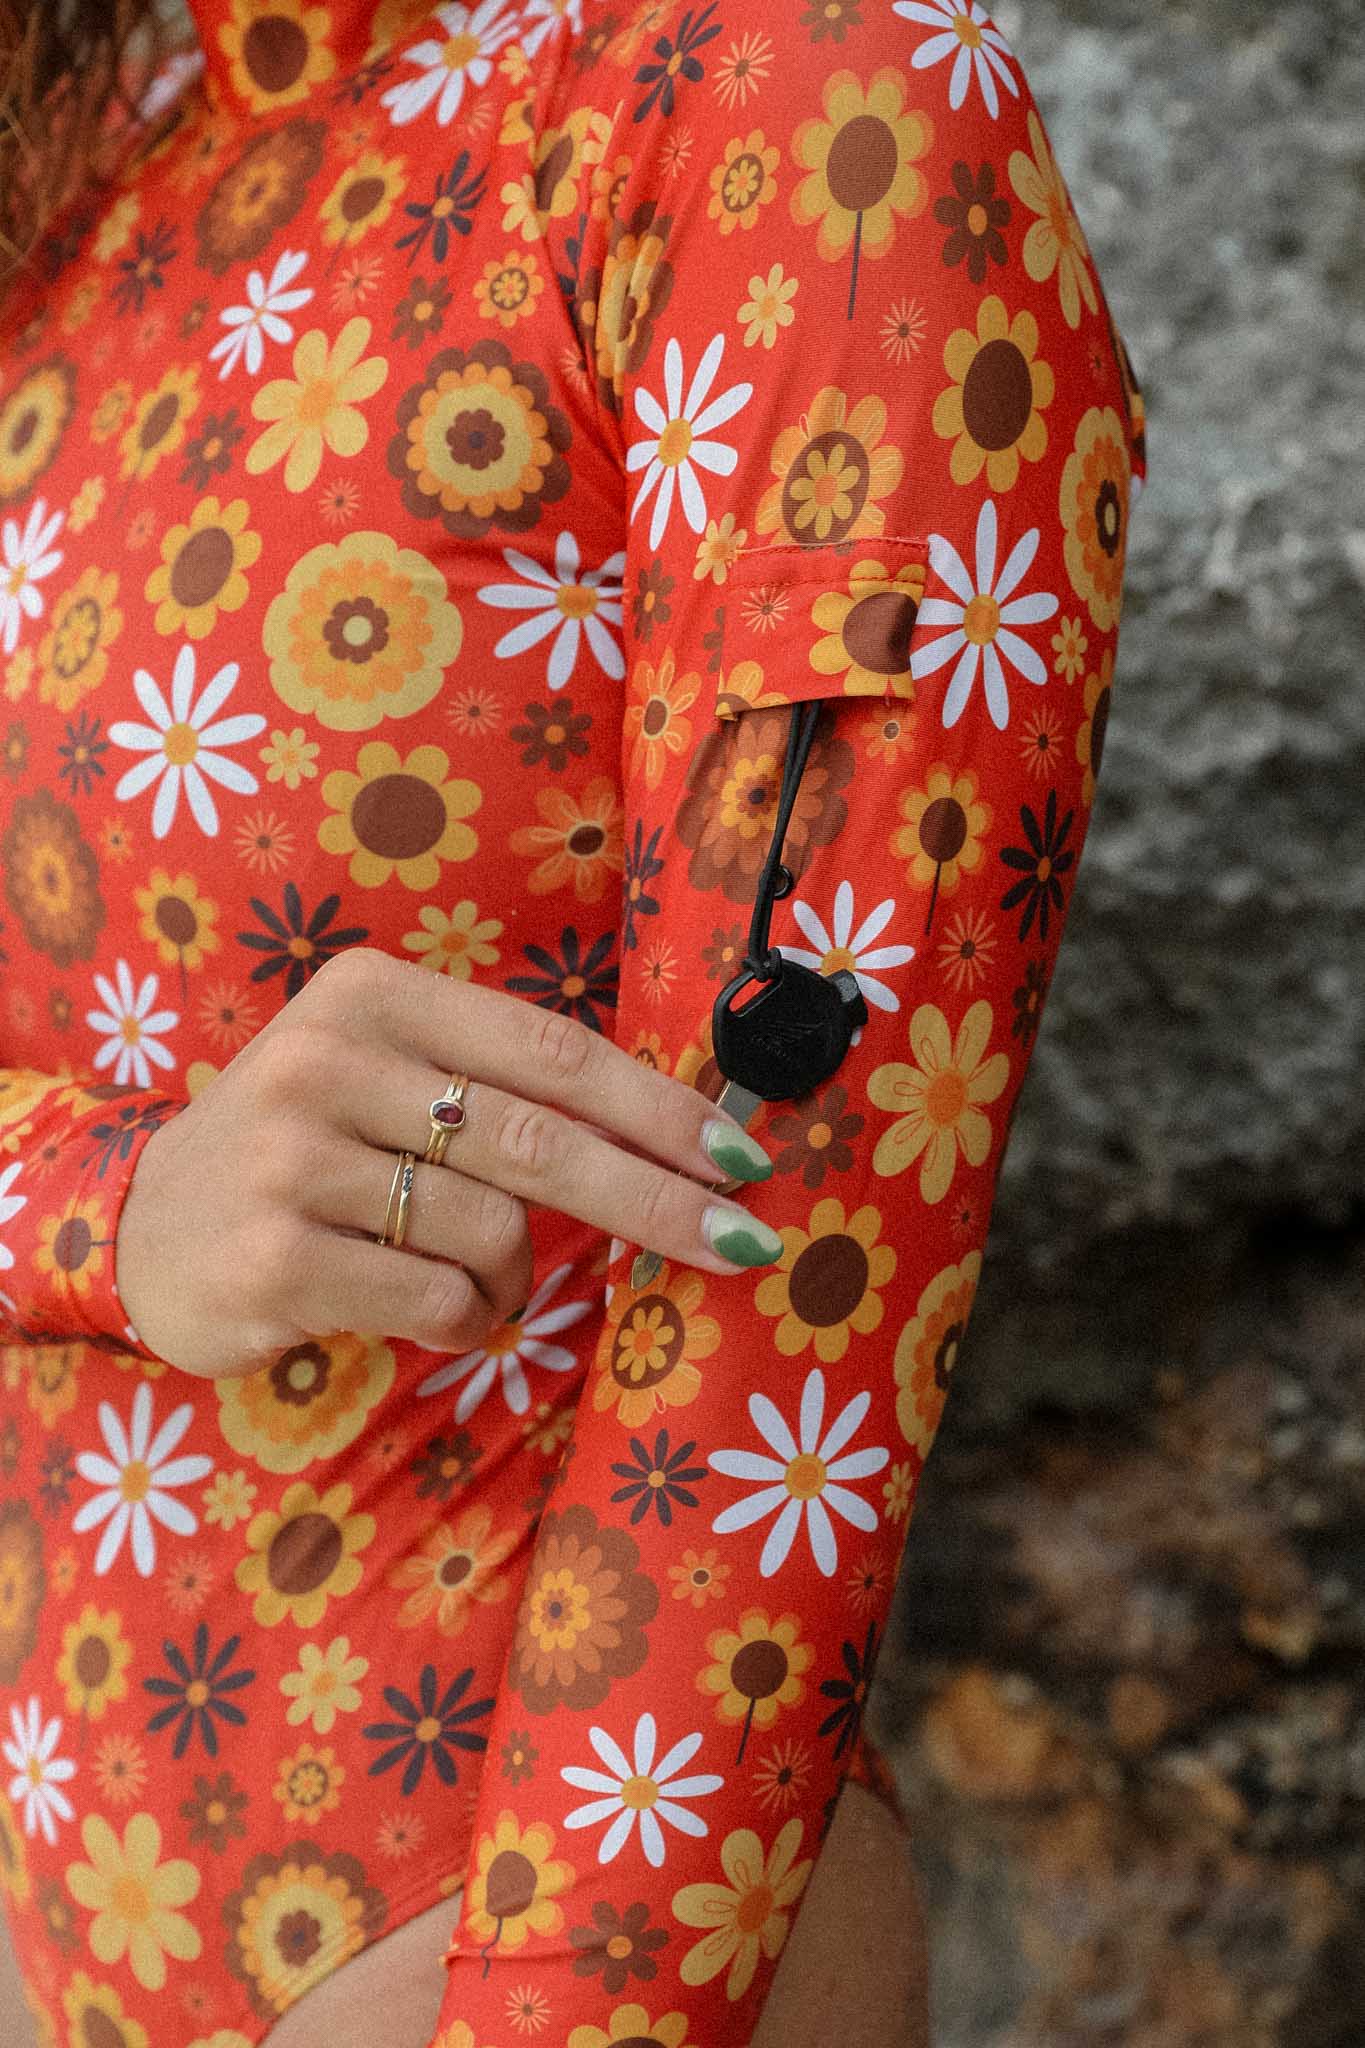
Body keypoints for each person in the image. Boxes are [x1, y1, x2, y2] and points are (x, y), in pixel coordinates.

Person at [0, 2, 1145, 2044]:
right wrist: (113, 1200)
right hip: (47, 1880)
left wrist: (568, 2002)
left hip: (497, 1885)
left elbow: (792, 1259)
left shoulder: (791, 97)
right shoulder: (90, 156)